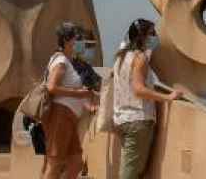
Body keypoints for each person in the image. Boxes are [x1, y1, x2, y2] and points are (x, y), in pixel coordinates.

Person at [112, 18, 185, 179]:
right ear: (143, 36)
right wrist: (168, 97)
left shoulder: (120, 57)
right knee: (130, 173)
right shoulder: (140, 58)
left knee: (130, 168)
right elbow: (138, 89)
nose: (155, 37)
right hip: (137, 120)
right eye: (152, 33)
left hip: (121, 119)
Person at [42, 21, 98, 179]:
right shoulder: (60, 62)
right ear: (67, 40)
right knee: (55, 163)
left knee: (76, 162)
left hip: (68, 117)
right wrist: (79, 93)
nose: (80, 43)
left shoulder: (66, 61)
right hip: (60, 116)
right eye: (77, 38)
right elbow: (51, 87)